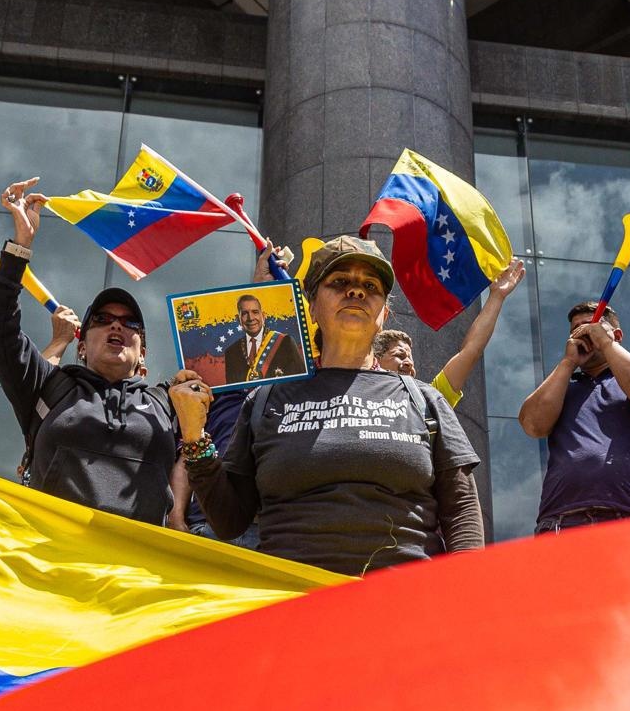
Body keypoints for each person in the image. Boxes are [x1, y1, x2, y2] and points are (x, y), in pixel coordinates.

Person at [174, 236, 482, 575]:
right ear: (312, 307)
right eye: (339, 282)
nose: (356, 291)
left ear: (385, 312)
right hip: (295, 598)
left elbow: (462, 512)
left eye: (370, 286)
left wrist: (466, 591)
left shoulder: (424, 400)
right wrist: (193, 435)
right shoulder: (265, 400)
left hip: (404, 599)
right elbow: (230, 521)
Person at [0, 178, 177, 526]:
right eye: (102, 320)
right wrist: (21, 245)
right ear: (82, 346)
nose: (116, 325)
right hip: (55, 550)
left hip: (138, 557)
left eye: (130, 323)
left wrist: (267, 287)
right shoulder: (50, 387)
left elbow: (239, 378)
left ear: (143, 354)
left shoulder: (168, 404)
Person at [518, 301, 630, 531]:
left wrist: (606, 343)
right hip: (561, 521)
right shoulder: (562, 389)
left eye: (591, 326)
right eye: (576, 330)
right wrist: (568, 362)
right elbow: (532, 425)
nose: (584, 333)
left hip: (629, 517)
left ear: (617, 335)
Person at [370, 256, 526, 407]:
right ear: (374, 359)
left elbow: (471, 351)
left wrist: (497, 296)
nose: (409, 363)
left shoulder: (428, 402)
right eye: (399, 355)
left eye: (410, 359)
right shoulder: (357, 396)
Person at [222, 292, 305, 388]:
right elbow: (232, 391)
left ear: (263, 316)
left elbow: (301, 383)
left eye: (255, 312)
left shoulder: (285, 342)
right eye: (245, 313)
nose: (250, 318)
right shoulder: (231, 352)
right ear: (238, 319)